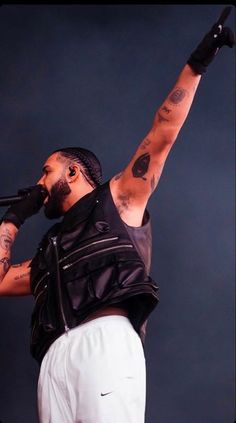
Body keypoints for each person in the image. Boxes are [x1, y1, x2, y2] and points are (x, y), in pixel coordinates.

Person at [0, 6, 235, 423]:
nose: (40, 180)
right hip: (53, 358)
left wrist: (196, 65)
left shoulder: (119, 198)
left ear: (72, 172)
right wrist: (12, 220)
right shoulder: (49, 252)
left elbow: (162, 133)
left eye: (46, 170)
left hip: (103, 340)